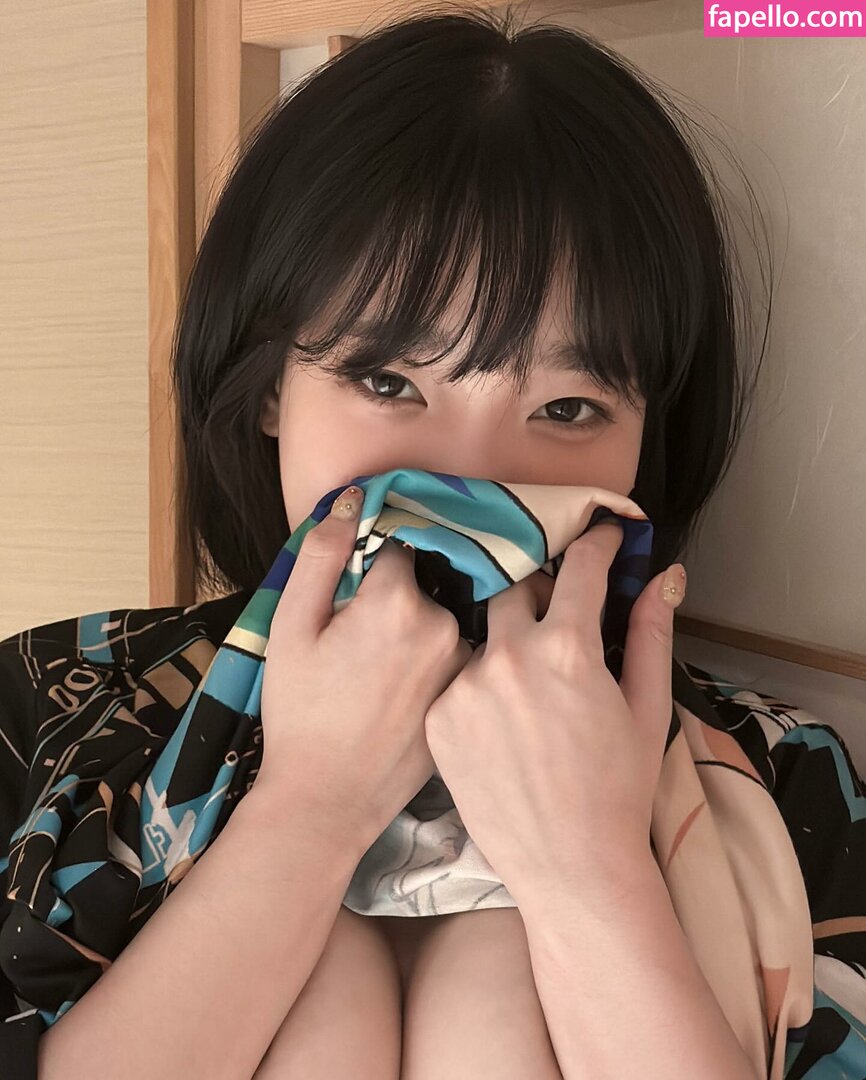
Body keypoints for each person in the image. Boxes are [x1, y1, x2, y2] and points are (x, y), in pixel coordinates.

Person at [0, 6, 863, 1079]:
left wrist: (589, 872)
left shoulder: (785, 776)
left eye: (566, 408)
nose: (472, 478)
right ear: (269, 389)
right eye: (387, 380)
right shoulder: (52, 708)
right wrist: (309, 815)